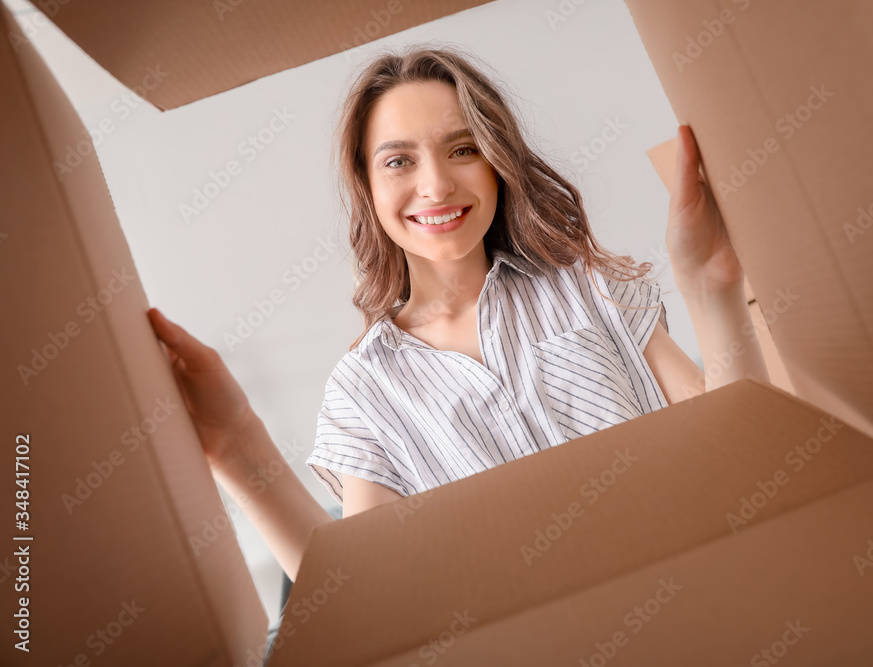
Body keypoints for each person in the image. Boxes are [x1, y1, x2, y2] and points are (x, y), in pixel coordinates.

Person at [146, 45, 769, 583]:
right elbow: (358, 595)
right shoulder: (365, 392)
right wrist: (234, 447)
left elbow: (743, 445)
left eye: (463, 149)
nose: (437, 185)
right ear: (366, 186)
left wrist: (710, 285)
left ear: (499, 163)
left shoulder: (589, 288)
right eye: (398, 160)